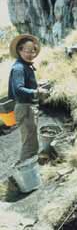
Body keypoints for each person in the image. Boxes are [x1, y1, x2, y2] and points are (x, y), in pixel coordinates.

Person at [8, 34, 49, 163]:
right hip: (25, 108)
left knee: (31, 140)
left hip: (28, 107)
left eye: (33, 51)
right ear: (20, 50)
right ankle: (26, 174)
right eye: (27, 51)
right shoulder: (19, 68)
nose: (31, 54)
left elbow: (24, 85)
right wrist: (37, 91)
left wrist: (38, 85)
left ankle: (30, 169)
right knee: (29, 145)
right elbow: (18, 90)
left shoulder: (25, 65)